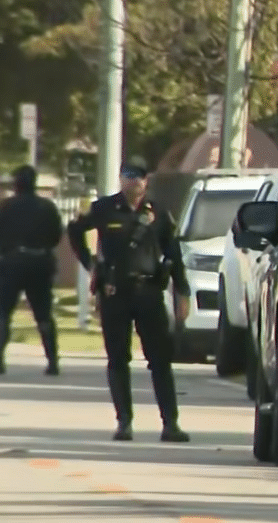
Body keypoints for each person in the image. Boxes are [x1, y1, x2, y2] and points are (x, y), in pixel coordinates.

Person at [67, 156, 191, 442]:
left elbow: (173, 253)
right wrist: (91, 264)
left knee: (160, 360)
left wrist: (182, 291)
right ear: (121, 178)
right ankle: (124, 422)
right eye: (128, 174)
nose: (133, 180)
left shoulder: (158, 212)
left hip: (148, 291)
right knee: (118, 359)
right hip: (115, 293)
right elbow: (74, 231)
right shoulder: (103, 208)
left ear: (146, 181)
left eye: (138, 175)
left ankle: (170, 424)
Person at [0, 164, 63, 375]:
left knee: (3, 312)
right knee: (43, 314)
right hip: (40, 262)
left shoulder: (6, 206)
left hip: (12, 263)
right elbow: (56, 235)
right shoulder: (47, 207)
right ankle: (52, 361)